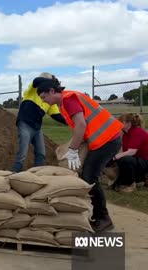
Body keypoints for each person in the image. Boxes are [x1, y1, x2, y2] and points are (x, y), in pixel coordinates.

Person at [35, 77, 122, 232]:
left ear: (52, 91)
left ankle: (104, 218)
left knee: (90, 177)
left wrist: (73, 150)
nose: (44, 101)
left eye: (44, 97)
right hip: (104, 139)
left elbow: (81, 125)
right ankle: (98, 215)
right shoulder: (65, 102)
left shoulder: (68, 99)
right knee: (88, 175)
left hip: (108, 139)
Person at [12, 73, 67, 172]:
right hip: (25, 124)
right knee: (23, 153)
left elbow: (57, 116)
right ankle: (14, 173)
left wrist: (71, 121)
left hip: (37, 128)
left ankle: (38, 174)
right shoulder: (33, 90)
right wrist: (52, 82)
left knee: (41, 154)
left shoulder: (50, 99)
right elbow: (37, 80)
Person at [112, 113, 148, 192]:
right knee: (121, 160)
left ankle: (129, 184)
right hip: (139, 160)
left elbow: (132, 152)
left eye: (121, 122)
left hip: (145, 160)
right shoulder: (126, 134)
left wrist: (115, 157)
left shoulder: (137, 132)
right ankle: (132, 180)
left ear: (128, 123)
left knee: (126, 160)